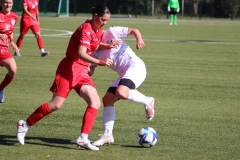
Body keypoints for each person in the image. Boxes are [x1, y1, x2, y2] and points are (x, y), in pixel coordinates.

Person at [17, 4, 113, 151]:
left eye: (107, 20)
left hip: (81, 70)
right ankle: (25, 124)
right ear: (95, 16)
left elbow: (94, 43)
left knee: (94, 102)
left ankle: (83, 138)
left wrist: (105, 46)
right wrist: (101, 62)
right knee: (55, 104)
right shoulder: (86, 29)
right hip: (69, 68)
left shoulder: (97, 28)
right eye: (103, 19)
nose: (104, 23)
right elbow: (81, 52)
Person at [88, 26, 155, 147]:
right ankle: (107, 135)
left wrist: (139, 39)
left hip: (136, 67)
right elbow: (91, 70)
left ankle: (147, 101)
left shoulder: (111, 31)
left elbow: (134, 30)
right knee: (107, 100)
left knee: (122, 92)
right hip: (124, 74)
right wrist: (82, 67)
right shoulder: (94, 49)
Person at [0, 0, 18, 103]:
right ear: (1, 3)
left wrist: (12, 42)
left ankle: (0, 88)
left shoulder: (14, 17)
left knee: (13, 70)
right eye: (5, 2)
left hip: (4, 50)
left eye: (10, 2)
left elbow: (10, 32)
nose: (8, 5)